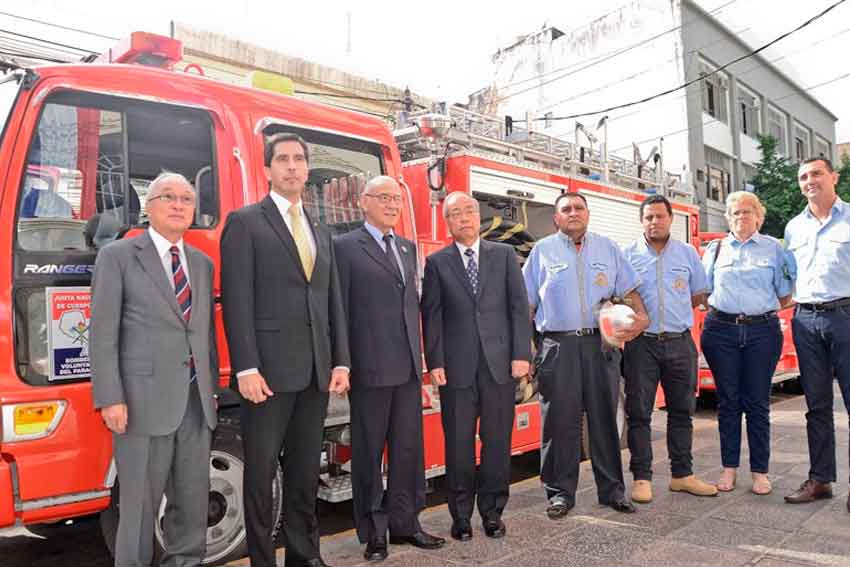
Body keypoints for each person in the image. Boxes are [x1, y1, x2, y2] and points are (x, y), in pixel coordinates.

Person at [220, 133, 351, 567]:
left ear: (307, 169)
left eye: (299, 159)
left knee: (302, 473)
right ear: (267, 169)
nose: (291, 166)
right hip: (267, 376)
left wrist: (339, 360)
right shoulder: (245, 222)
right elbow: (237, 300)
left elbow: (332, 301)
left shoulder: (320, 229)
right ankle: (262, 560)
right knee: (259, 476)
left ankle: (304, 555)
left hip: (314, 373)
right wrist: (246, 368)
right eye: (282, 159)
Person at [91, 172, 218, 567]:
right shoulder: (118, 256)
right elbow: (102, 332)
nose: (178, 205)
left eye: (186, 198)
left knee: (192, 504)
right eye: (168, 197)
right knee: (139, 511)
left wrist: (211, 389)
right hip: (141, 405)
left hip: (196, 405)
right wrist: (110, 398)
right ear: (149, 207)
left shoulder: (201, 262)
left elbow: (203, 331)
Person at [334, 176, 445, 561]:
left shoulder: (406, 247)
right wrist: (343, 363)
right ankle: (374, 532)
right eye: (383, 198)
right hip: (369, 369)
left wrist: (425, 364)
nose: (392, 205)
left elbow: (412, 307)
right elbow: (339, 310)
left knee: (408, 451)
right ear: (363, 203)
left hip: (409, 369)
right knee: (368, 453)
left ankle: (406, 524)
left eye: (397, 199)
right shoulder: (344, 248)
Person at [522, 191, 648, 518]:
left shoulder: (608, 248)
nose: (573, 213)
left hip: (601, 345)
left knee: (604, 418)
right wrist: (524, 350)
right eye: (566, 209)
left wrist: (641, 318)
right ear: (556, 218)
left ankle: (612, 491)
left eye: (579, 208)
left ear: (588, 214)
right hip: (557, 346)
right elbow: (527, 305)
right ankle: (559, 494)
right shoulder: (542, 252)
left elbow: (630, 291)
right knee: (559, 421)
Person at [421, 191, 532, 541]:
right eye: (456, 214)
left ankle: (493, 512)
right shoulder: (437, 262)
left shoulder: (503, 256)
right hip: (456, 369)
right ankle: (461, 516)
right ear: (448, 222)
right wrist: (435, 360)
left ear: (477, 216)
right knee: (458, 445)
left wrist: (521, 355)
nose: (464, 218)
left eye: (469, 211)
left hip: (500, 366)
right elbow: (432, 316)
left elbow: (518, 308)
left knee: (497, 442)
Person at [622, 195, 717, 503]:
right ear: (641, 220)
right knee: (639, 413)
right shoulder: (627, 254)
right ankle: (641, 478)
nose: (654, 222)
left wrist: (672, 309)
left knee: (682, 412)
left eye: (659, 216)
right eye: (648, 217)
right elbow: (617, 295)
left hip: (680, 343)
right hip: (641, 345)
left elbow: (698, 293)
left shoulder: (688, 254)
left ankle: (682, 475)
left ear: (670, 218)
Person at [701, 191, 792, 495]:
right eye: (735, 212)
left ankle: (760, 472)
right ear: (728, 217)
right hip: (721, 330)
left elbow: (784, 294)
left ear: (758, 216)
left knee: (756, 402)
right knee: (727, 402)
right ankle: (729, 470)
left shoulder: (774, 250)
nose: (741, 217)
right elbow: (703, 293)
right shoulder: (715, 250)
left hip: (761, 332)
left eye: (747, 212)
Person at [784, 157, 850, 509]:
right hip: (805, 319)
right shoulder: (795, 227)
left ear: (834, 177)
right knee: (817, 405)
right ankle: (821, 479)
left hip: (846, 315)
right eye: (803, 176)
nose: (809, 181)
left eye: (816, 174)